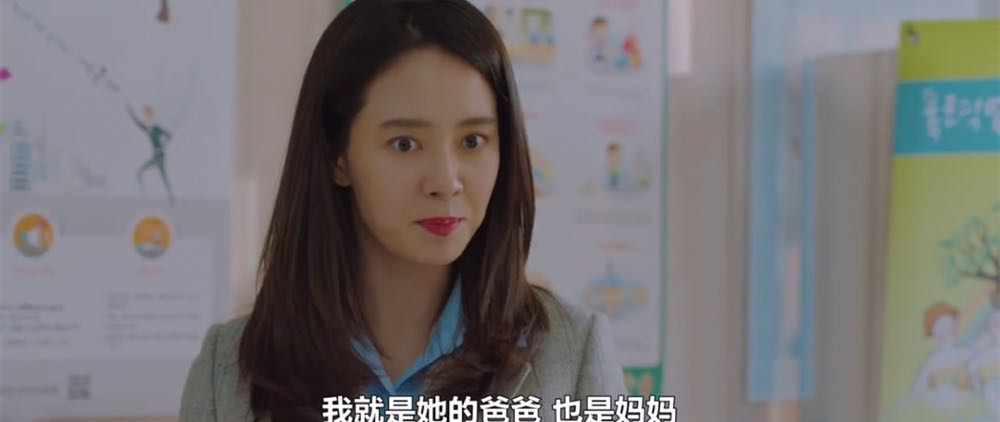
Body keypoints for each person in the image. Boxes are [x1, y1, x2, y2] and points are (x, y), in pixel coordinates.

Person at [178, 1, 627, 421]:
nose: (446, 181)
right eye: (405, 144)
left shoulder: (574, 354)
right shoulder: (227, 370)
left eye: (472, 141)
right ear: (338, 156)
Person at [127, 104, 175, 205]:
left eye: (148, 115)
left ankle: (171, 199)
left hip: (160, 156)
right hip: (155, 156)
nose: (146, 118)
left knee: (164, 177)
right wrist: (130, 112)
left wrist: (163, 145)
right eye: (145, 115)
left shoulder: (156, 128)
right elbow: (138, 123)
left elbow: (168, 135)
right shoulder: (149, 129)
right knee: (141, 172)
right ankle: (143, 193)